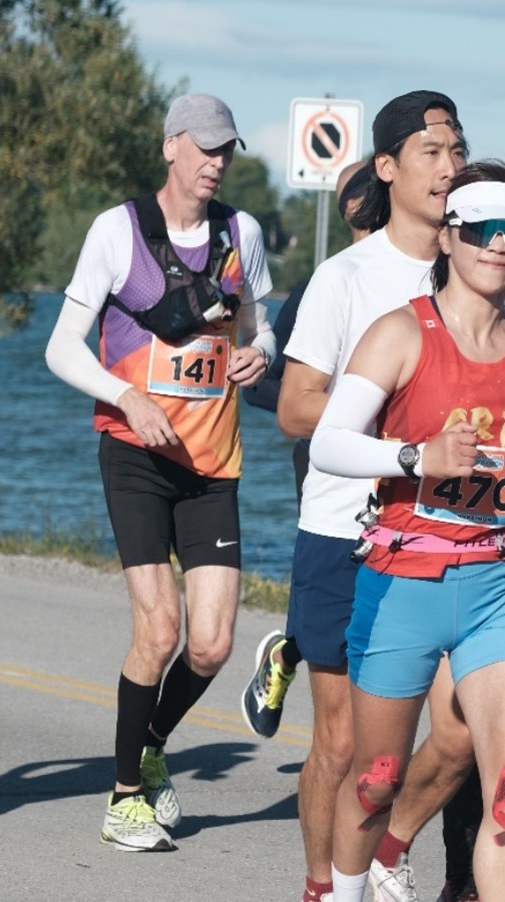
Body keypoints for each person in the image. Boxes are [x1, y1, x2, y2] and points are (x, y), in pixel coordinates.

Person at [246, 91, 479, 902]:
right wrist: (400, 432)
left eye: (457, 151)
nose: (448, 167)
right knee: (346, 749)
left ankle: (390, 846)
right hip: (346, 531)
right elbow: (294, 409)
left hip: (460, 536)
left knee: (460, 733)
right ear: (386, 167)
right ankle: (323, 886)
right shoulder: (345, 278)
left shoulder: (479, 268)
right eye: (430, 152)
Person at [45, 94, 274, 852]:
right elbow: (61, 346)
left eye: (226, 150)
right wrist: (126, 396)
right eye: (204, 147)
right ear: (170, 145)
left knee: (209, 645)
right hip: (136, 454)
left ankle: (149, 745)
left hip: (212, 463)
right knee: (160, 627)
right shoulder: (118, 231)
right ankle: (123, 799)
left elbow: (259, 325)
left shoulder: (242, 234)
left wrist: (260, 353)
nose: (216, 162)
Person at [309, 159, 505, 902]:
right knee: (374, 781)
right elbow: (328, 442)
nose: (497, 242)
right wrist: (416, 458)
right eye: (481, 228)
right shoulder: (400, 332)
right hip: (401, 584)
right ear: (448, 237)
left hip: (492, 585)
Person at [241, 158, 371, 741]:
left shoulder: (432, 278)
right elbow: (264, 388)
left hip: (406, 462)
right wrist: (339, 408)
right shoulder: (329, 281)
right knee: (333, 587)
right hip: (325, 459)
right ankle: (287, 655)